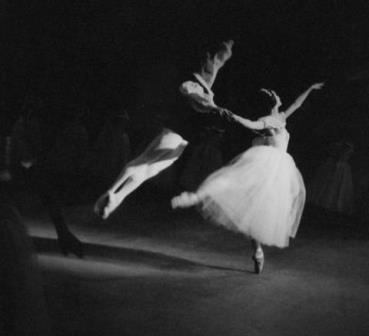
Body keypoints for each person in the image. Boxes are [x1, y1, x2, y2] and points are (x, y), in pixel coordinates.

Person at [94, 40, 283, 219]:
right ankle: (112, 191)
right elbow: (189, 90)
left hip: (181, 139)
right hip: (175, 133)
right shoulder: (193, 83)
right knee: (144, 162)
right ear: (207, 59)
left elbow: (206, 85)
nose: (221, 62)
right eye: (219, 58)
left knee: (148, 170)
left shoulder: (205, 87)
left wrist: (212, 105)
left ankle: (118, 197)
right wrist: (212, 106)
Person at [171, 82, 324, 274]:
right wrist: (233, 116)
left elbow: (297, 104)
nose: (277, 95)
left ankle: (257, 251)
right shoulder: (269, 120)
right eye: (274, 94)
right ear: (272, 102)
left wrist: (310, 88)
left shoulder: (281, 117)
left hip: (277, 170)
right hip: (265, 165)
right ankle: (196, 197)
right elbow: (250, 124)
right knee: (239, 190)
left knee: (259, 212)